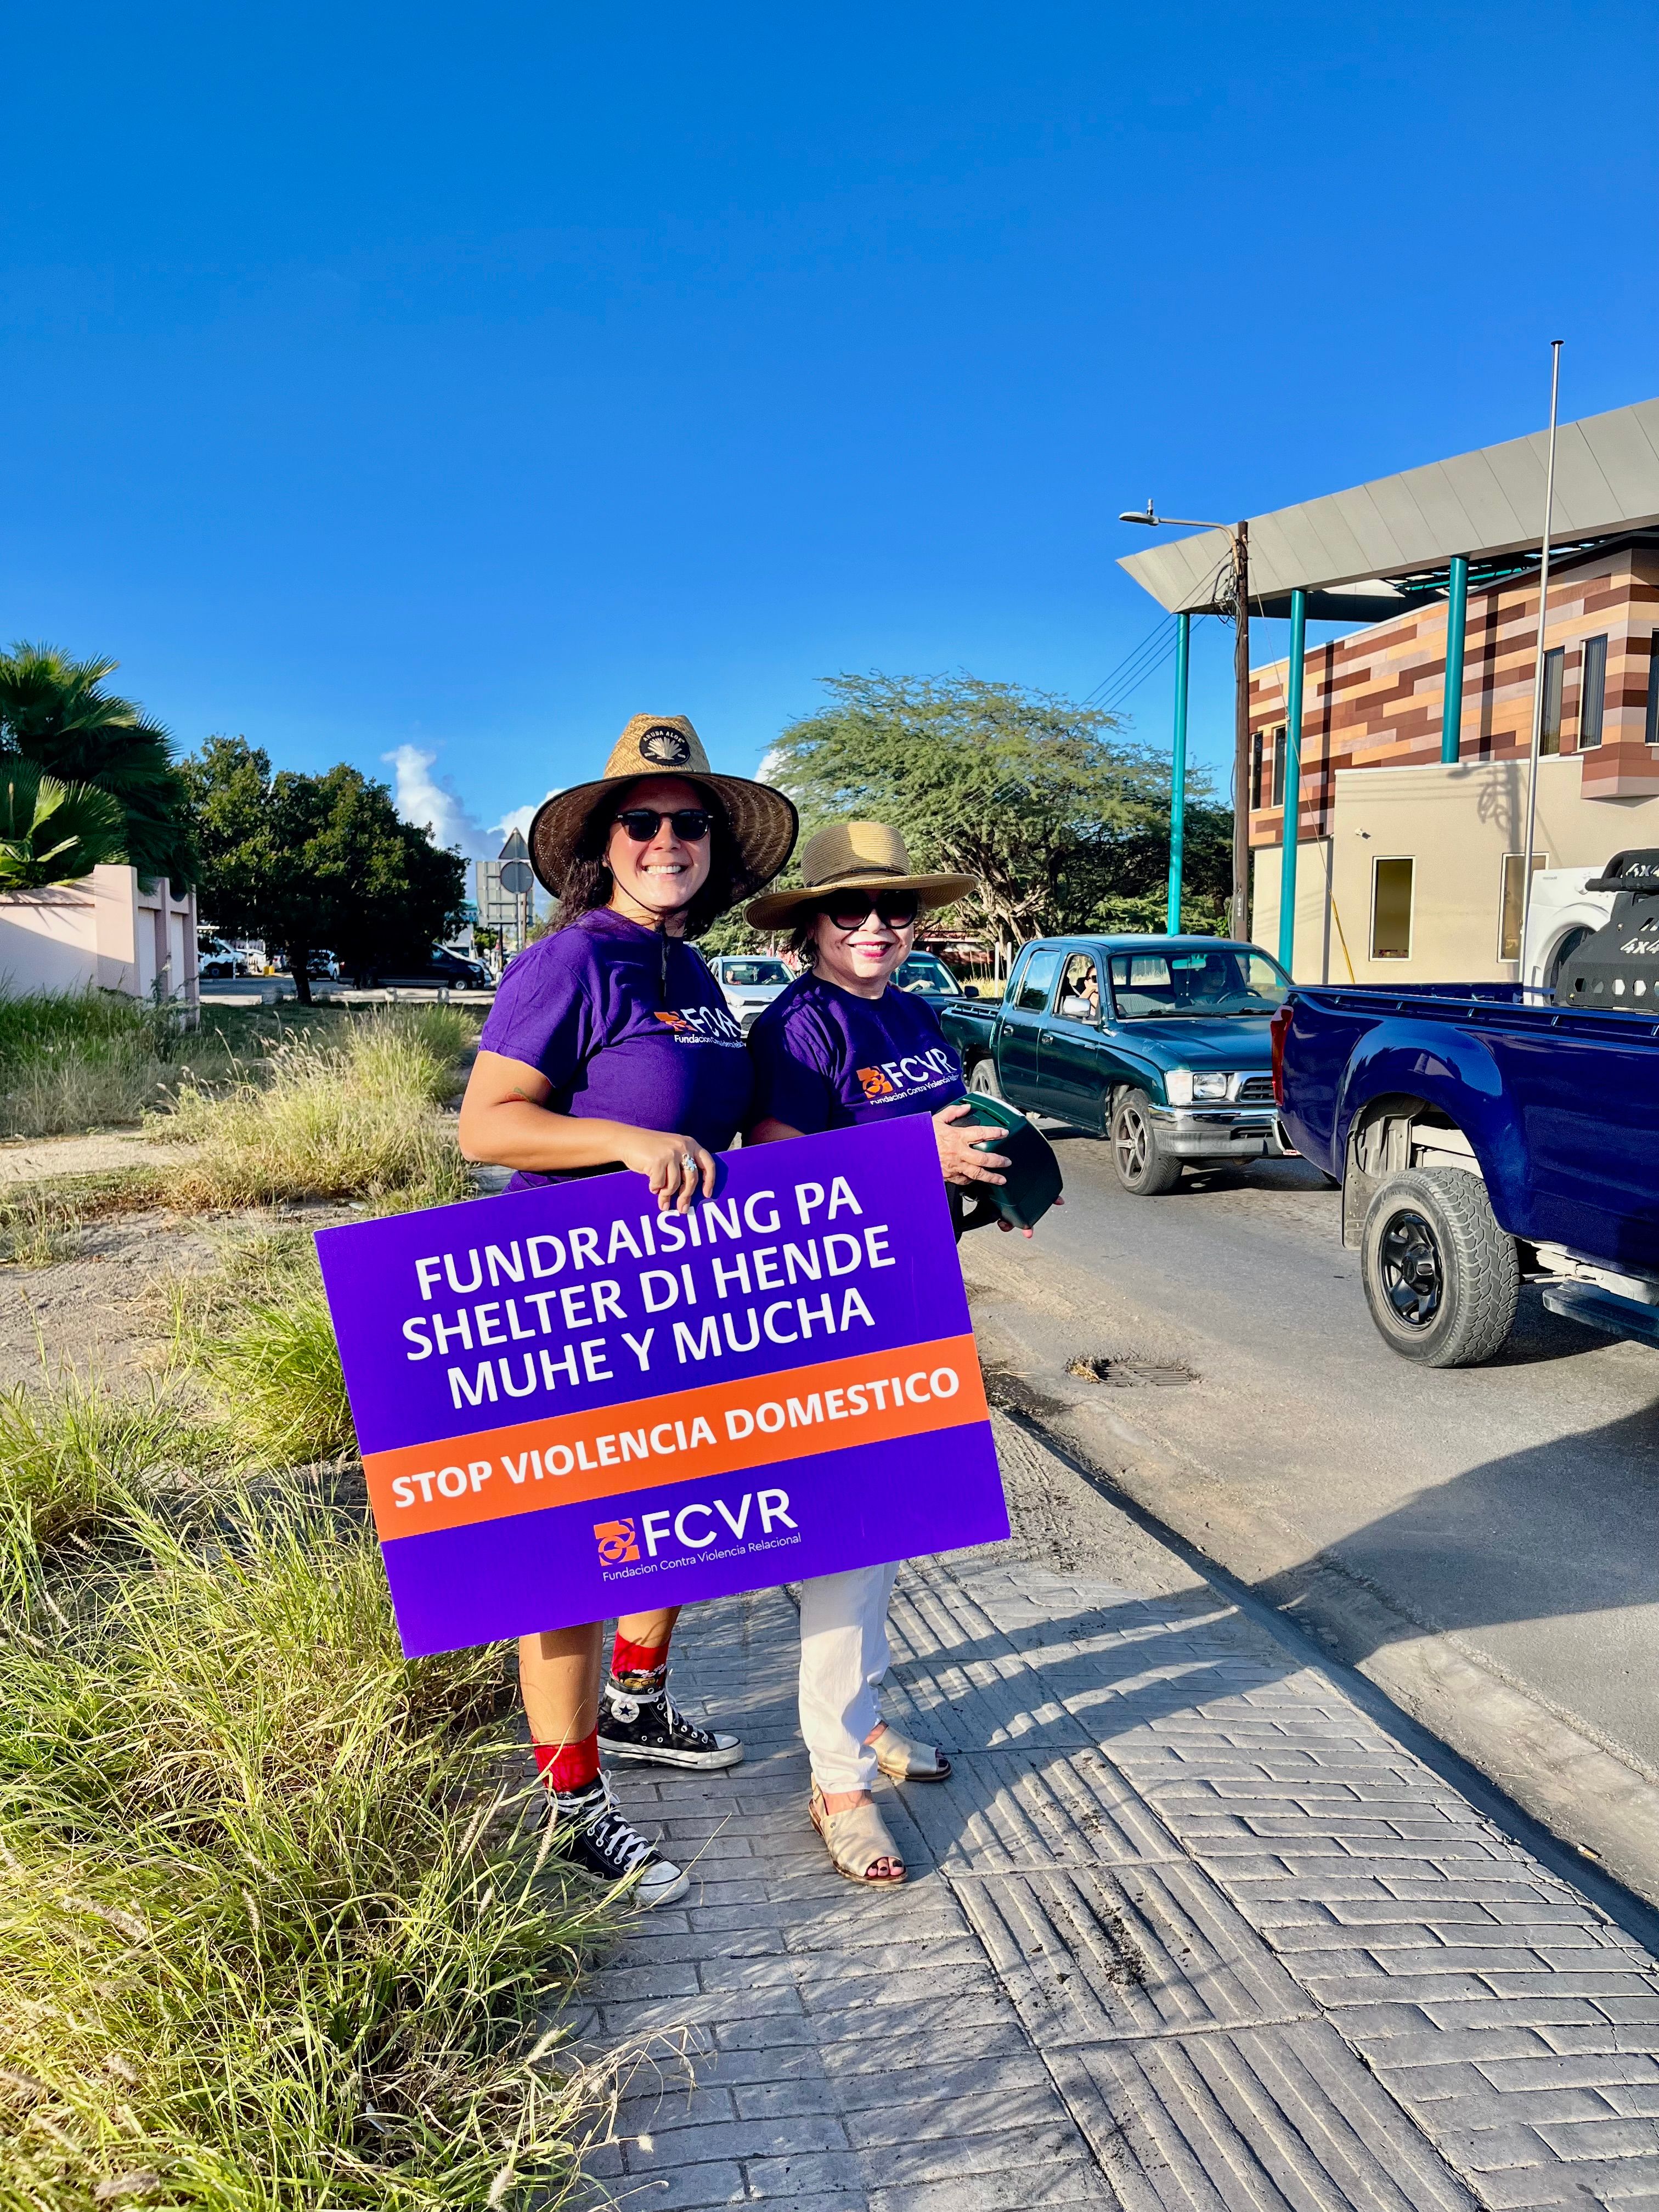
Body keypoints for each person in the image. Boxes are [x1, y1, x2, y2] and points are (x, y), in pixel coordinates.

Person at [457, 714, 798, 1907]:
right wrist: (619, 1136)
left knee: (676, 1510)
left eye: (687, 825)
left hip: (686, 1290)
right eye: (642, 823)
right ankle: (570, 1800)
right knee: (571, 1558)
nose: (666, 840)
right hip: (570, 1293)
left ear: (712, 846)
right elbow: (489, 1122)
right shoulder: (571, 962)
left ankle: (640, 1706)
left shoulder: (693, 969)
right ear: (605, 845)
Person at [742, 820, 1012, 1886]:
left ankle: (864, 1722)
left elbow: (947, 1130)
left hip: (915, 1291)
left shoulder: (914, 1013)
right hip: (826, 1310)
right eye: (848, 910)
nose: (873, 926)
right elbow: (772, 1167)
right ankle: (838, 1779)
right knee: (847, 1549)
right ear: (811, 926)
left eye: (892, 910)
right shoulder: (799, 1030)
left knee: (881, 1539)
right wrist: (918, 1153)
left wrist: (992, 1180)